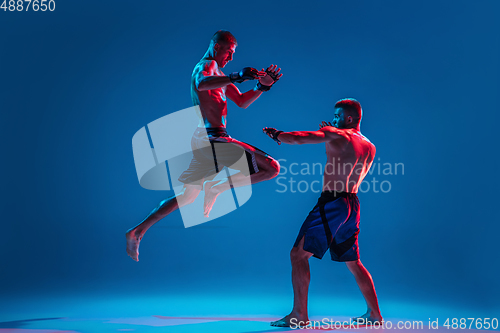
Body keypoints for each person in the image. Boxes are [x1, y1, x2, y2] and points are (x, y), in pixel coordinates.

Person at [126, 30, 281, 262]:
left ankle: (138, 231)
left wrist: (262, 87)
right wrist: (236, 76)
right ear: (216, 47)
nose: (230, 58)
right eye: (229, 52)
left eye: (233, 54)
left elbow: (241, 102)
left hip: (206, 141)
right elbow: (201, 83)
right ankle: (218, 187)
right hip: (214, 139)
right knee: (271, 168)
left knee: (187, 196)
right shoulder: (206, 66)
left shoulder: (219, 73)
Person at [263, 98, 382, 328]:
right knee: (353, 261)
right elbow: (342, 155)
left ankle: (299, 315)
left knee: (298, 255)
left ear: (348, 118)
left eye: (337, 116)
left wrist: (278, 135)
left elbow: (301, 138)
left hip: (332, 203)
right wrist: (331, 134)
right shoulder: (369, 145)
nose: (333, 119)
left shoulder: (338, 134)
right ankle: (375, 314)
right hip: (352, 205)